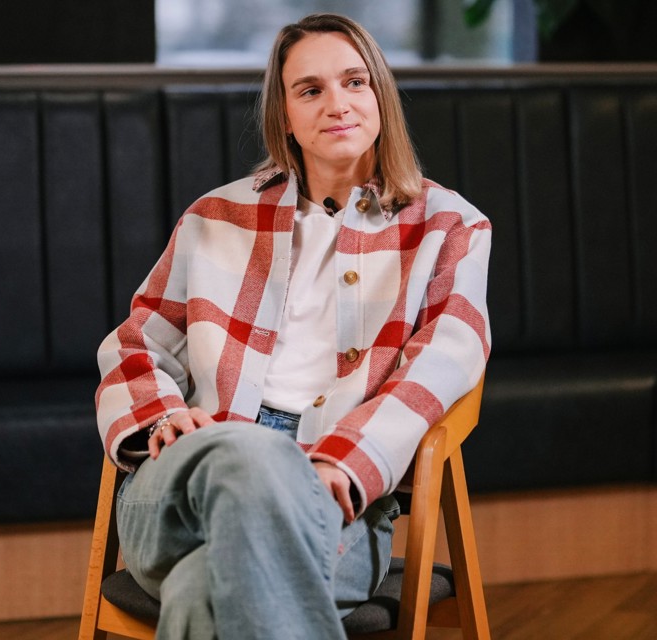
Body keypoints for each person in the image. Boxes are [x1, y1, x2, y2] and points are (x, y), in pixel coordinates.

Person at [95, 13, 491, 640]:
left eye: (355, 82)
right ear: (284, 114)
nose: (337, 103)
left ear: (379, 97)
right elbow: (133, 342)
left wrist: (342, 464)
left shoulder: (449, 229)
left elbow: (443, 366)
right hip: (186, 476)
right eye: (310, 90)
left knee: (202, 588)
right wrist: (164, 418)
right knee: (245, 454)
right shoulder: (213, 217)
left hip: (331, 493)